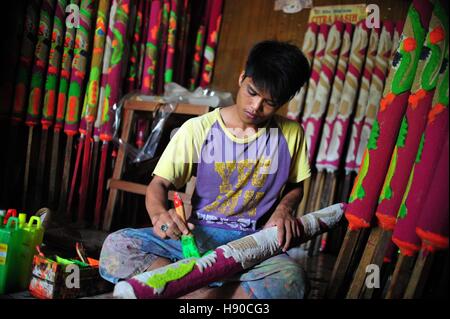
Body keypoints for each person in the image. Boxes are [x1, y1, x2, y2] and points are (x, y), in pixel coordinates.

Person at [99, 40, 311, 299]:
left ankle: (185, 291)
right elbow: (160, 184)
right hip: (198, 237)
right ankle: (205, 294)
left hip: (254, 244)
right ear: (242, 77)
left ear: (285, 100)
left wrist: (283, 210)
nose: (255, 107)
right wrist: (159, 216)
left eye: (269, 102)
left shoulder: (291, 135)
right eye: (252, 92)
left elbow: (295, 185)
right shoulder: (198, 129)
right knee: (117, 246)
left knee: (292, 280)